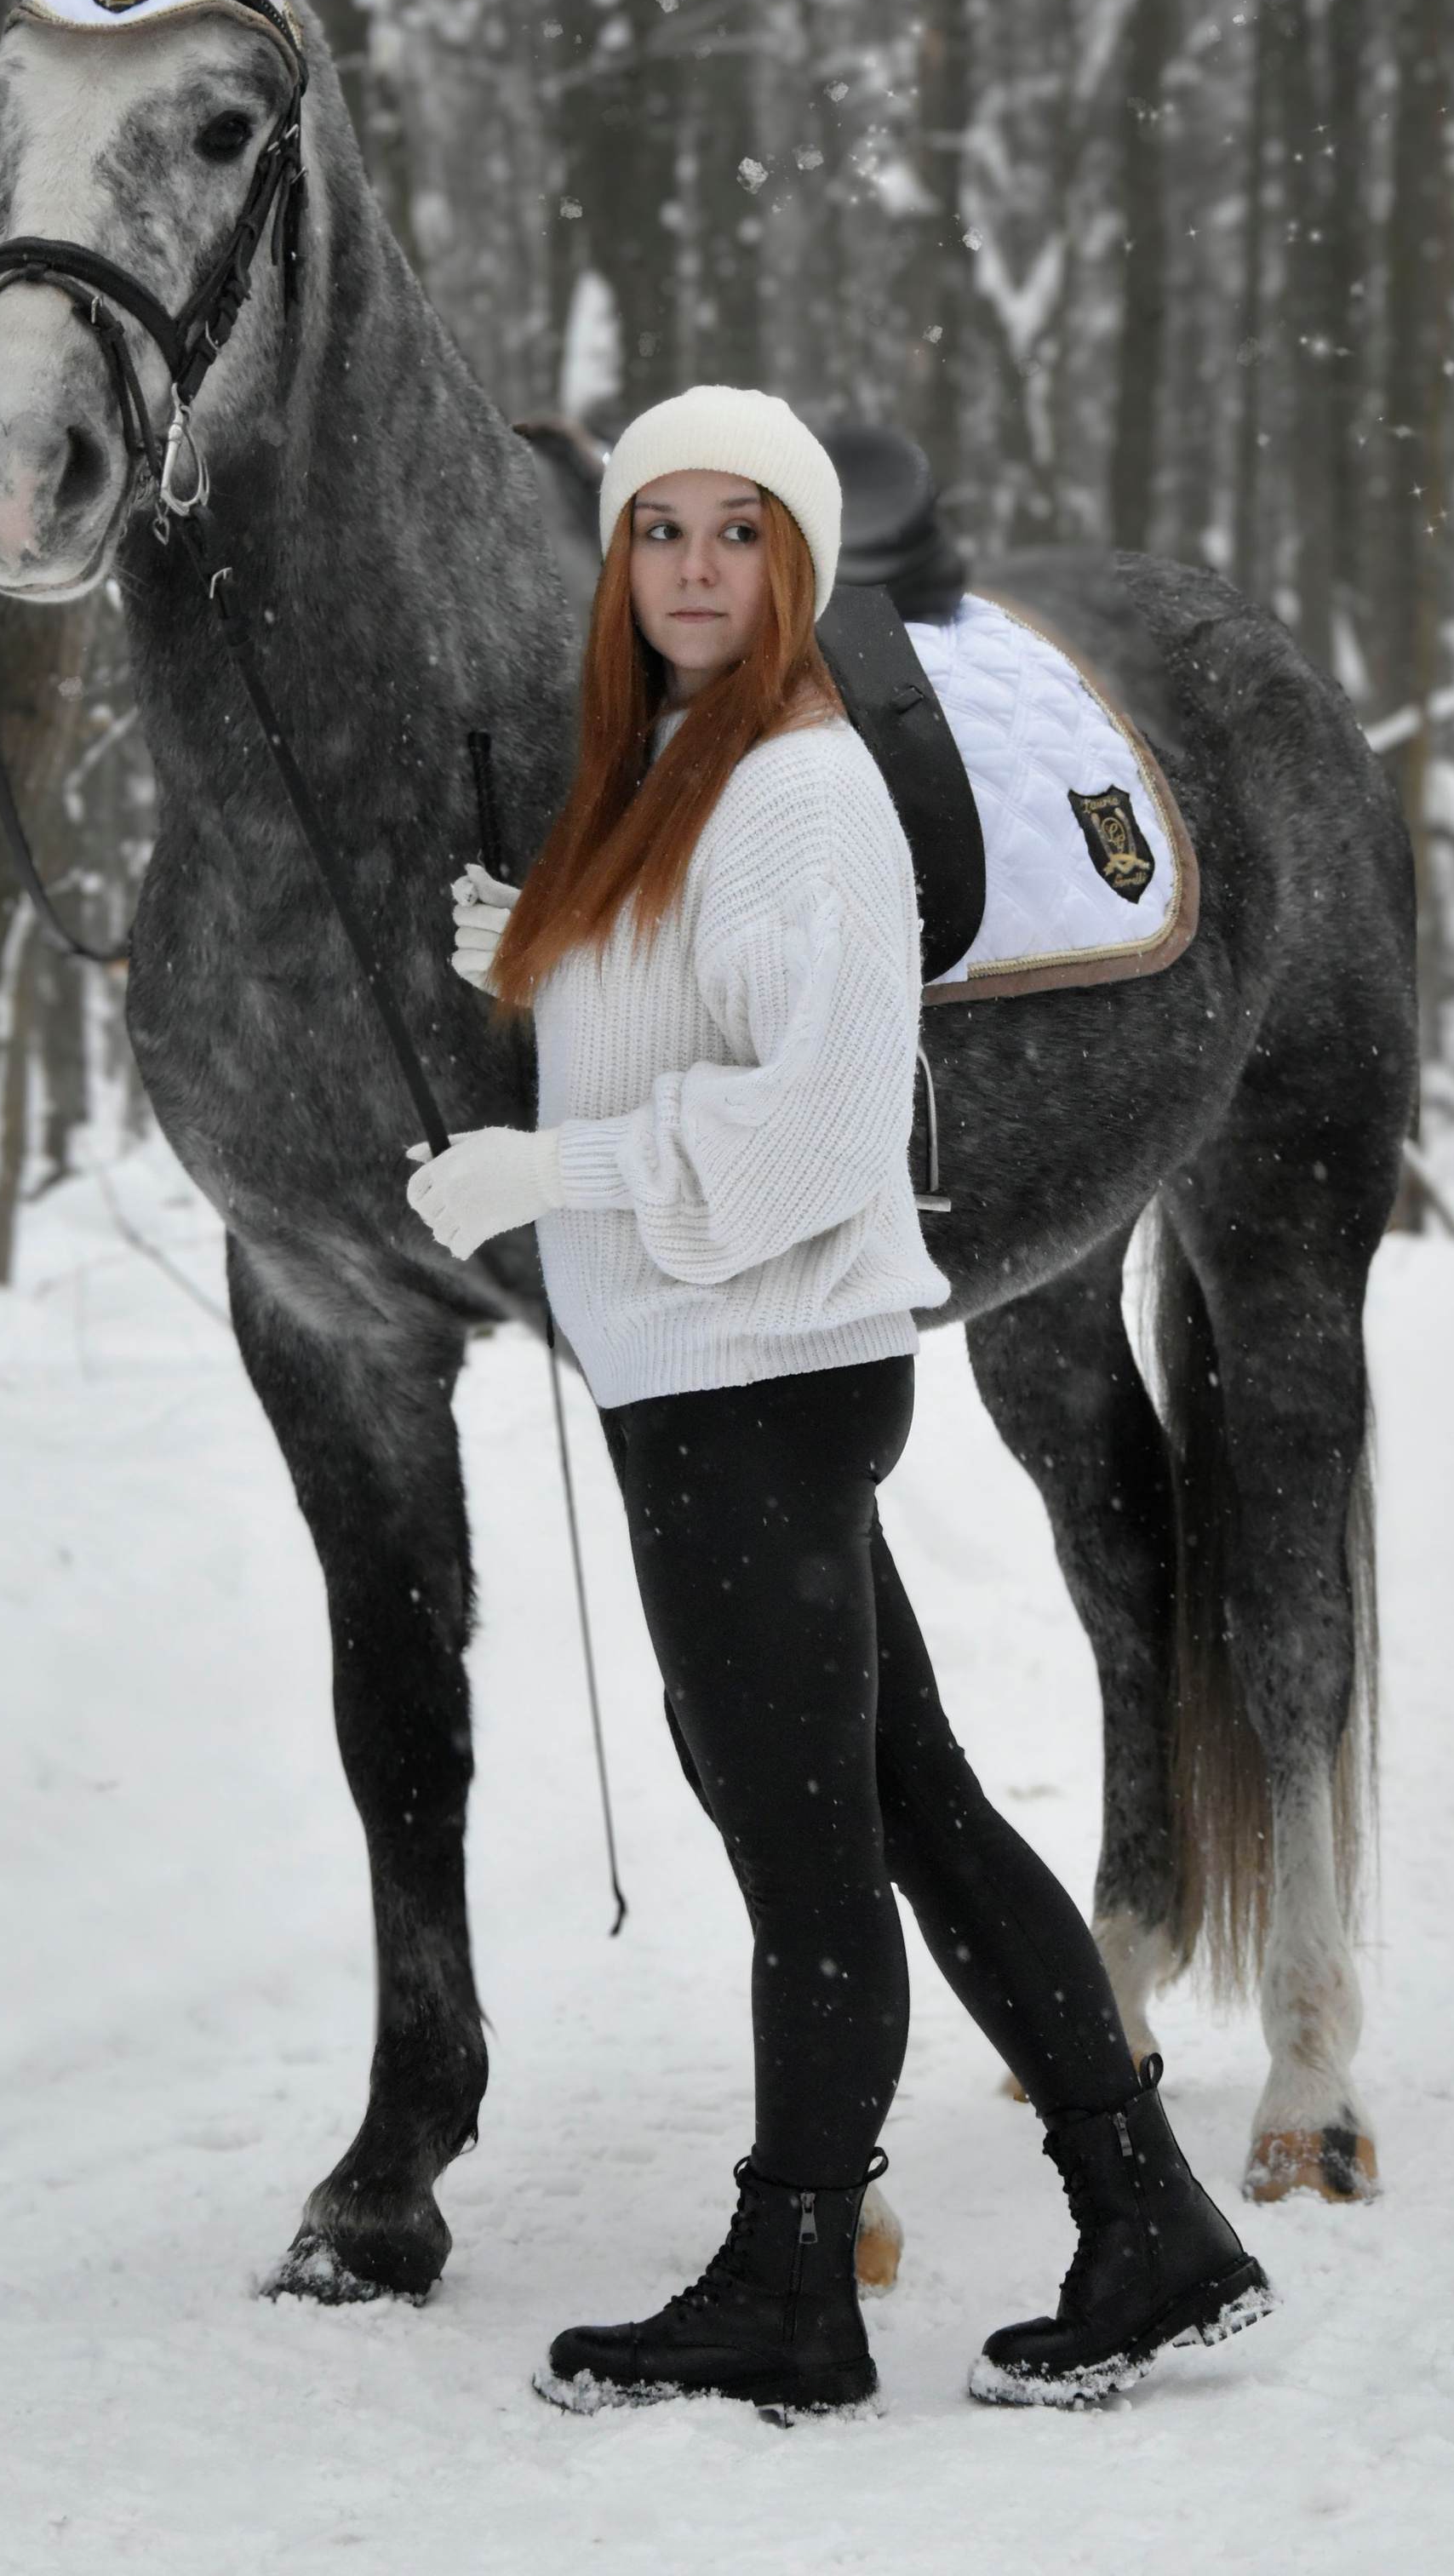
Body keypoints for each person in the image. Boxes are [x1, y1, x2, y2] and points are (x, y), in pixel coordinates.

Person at [404, 386, 1268, 2418]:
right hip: (728, 1375)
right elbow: (698, 997)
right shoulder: (682, 771)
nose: (693, 569)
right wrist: (538, 946)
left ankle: (791, 2285)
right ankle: (1145, 2221)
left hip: (752, 1378)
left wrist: (557, 1173)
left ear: (795, 563)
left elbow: (801, 1131)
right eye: (656, 533)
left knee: (808, 1855)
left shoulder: (792, 790)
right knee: (915, 1817)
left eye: (736, 532)